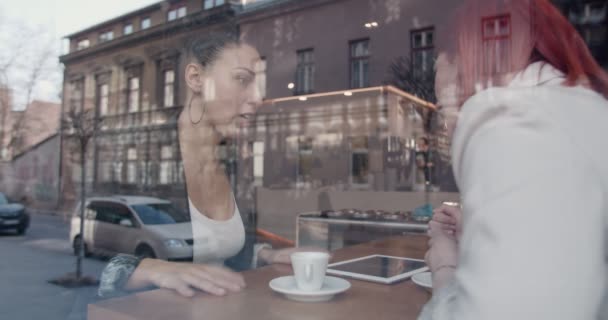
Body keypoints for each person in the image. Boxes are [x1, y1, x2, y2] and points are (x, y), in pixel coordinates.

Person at [419, 0, 608, 319]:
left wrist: (445, 265)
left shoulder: (509, 120)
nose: (449, 126)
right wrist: (481, 233)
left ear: (469, 63)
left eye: (444, 105)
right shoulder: (579, 111)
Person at [98, 34, 308, 299]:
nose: (257, 97)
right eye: (242, 79)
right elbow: (87, 261)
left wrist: (265, 254)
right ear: (196, 78)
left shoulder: (230, 162)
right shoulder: (140, 157)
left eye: (258, 82)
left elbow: (218, 252)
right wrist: (148, 268)